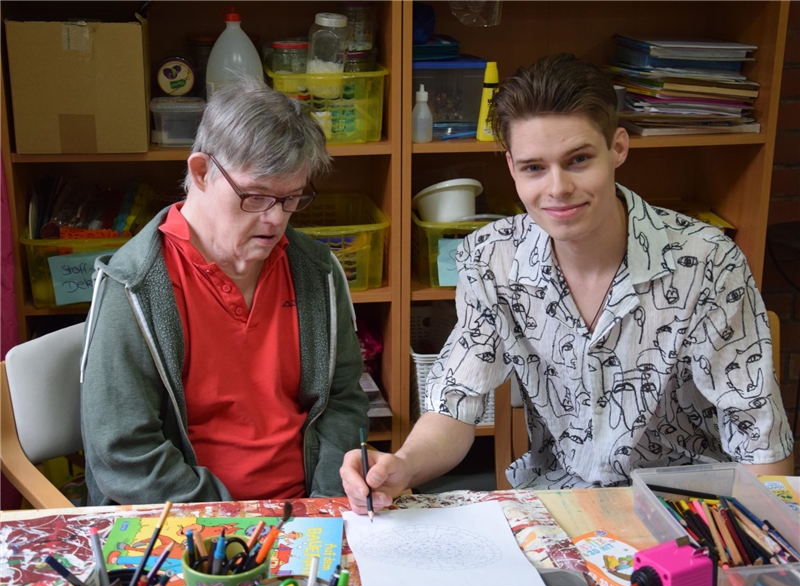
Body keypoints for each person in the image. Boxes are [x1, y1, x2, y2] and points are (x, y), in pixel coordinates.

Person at [341, 54, 794, 513]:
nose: (557, 188)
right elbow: (455, 404)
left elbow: (759, 441)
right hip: (558, 506)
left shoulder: (707, 260)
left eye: (578, 160)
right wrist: (403, 464)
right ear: (511, 167)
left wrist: (762, 554)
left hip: (689, 511)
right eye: (534, 168)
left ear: (618, 147)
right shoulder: (490, 257)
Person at [81, 76, 369, 506]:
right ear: (201, 172)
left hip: (311, 508)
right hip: (188, 517)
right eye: (255, 197)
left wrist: (326, 501)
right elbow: (124, 454)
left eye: (292, 199)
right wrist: (233, 516)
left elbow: (343, 401)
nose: (275, 220)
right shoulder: (134, 285)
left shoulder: (316, 270)